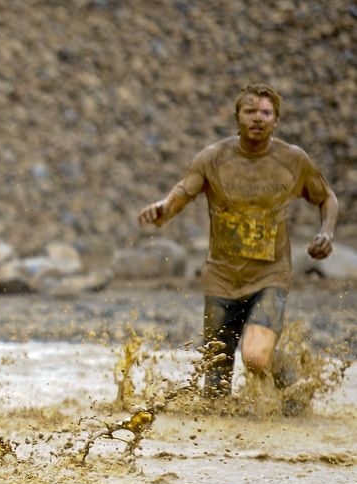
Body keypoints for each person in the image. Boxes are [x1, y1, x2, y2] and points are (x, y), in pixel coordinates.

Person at [138, 83, 338, 401]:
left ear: (276, 120)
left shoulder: (292, 160)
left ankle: (293, 377)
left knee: (256, 357)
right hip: (221, 278)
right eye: (250, 111)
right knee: (214, 387)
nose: (258, 118)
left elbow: (326, 197)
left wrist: (326, 232)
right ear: (237, 117)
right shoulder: (212, 158)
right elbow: (179, 195)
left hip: (270, 276)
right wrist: (161, 209)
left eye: (266, 113)